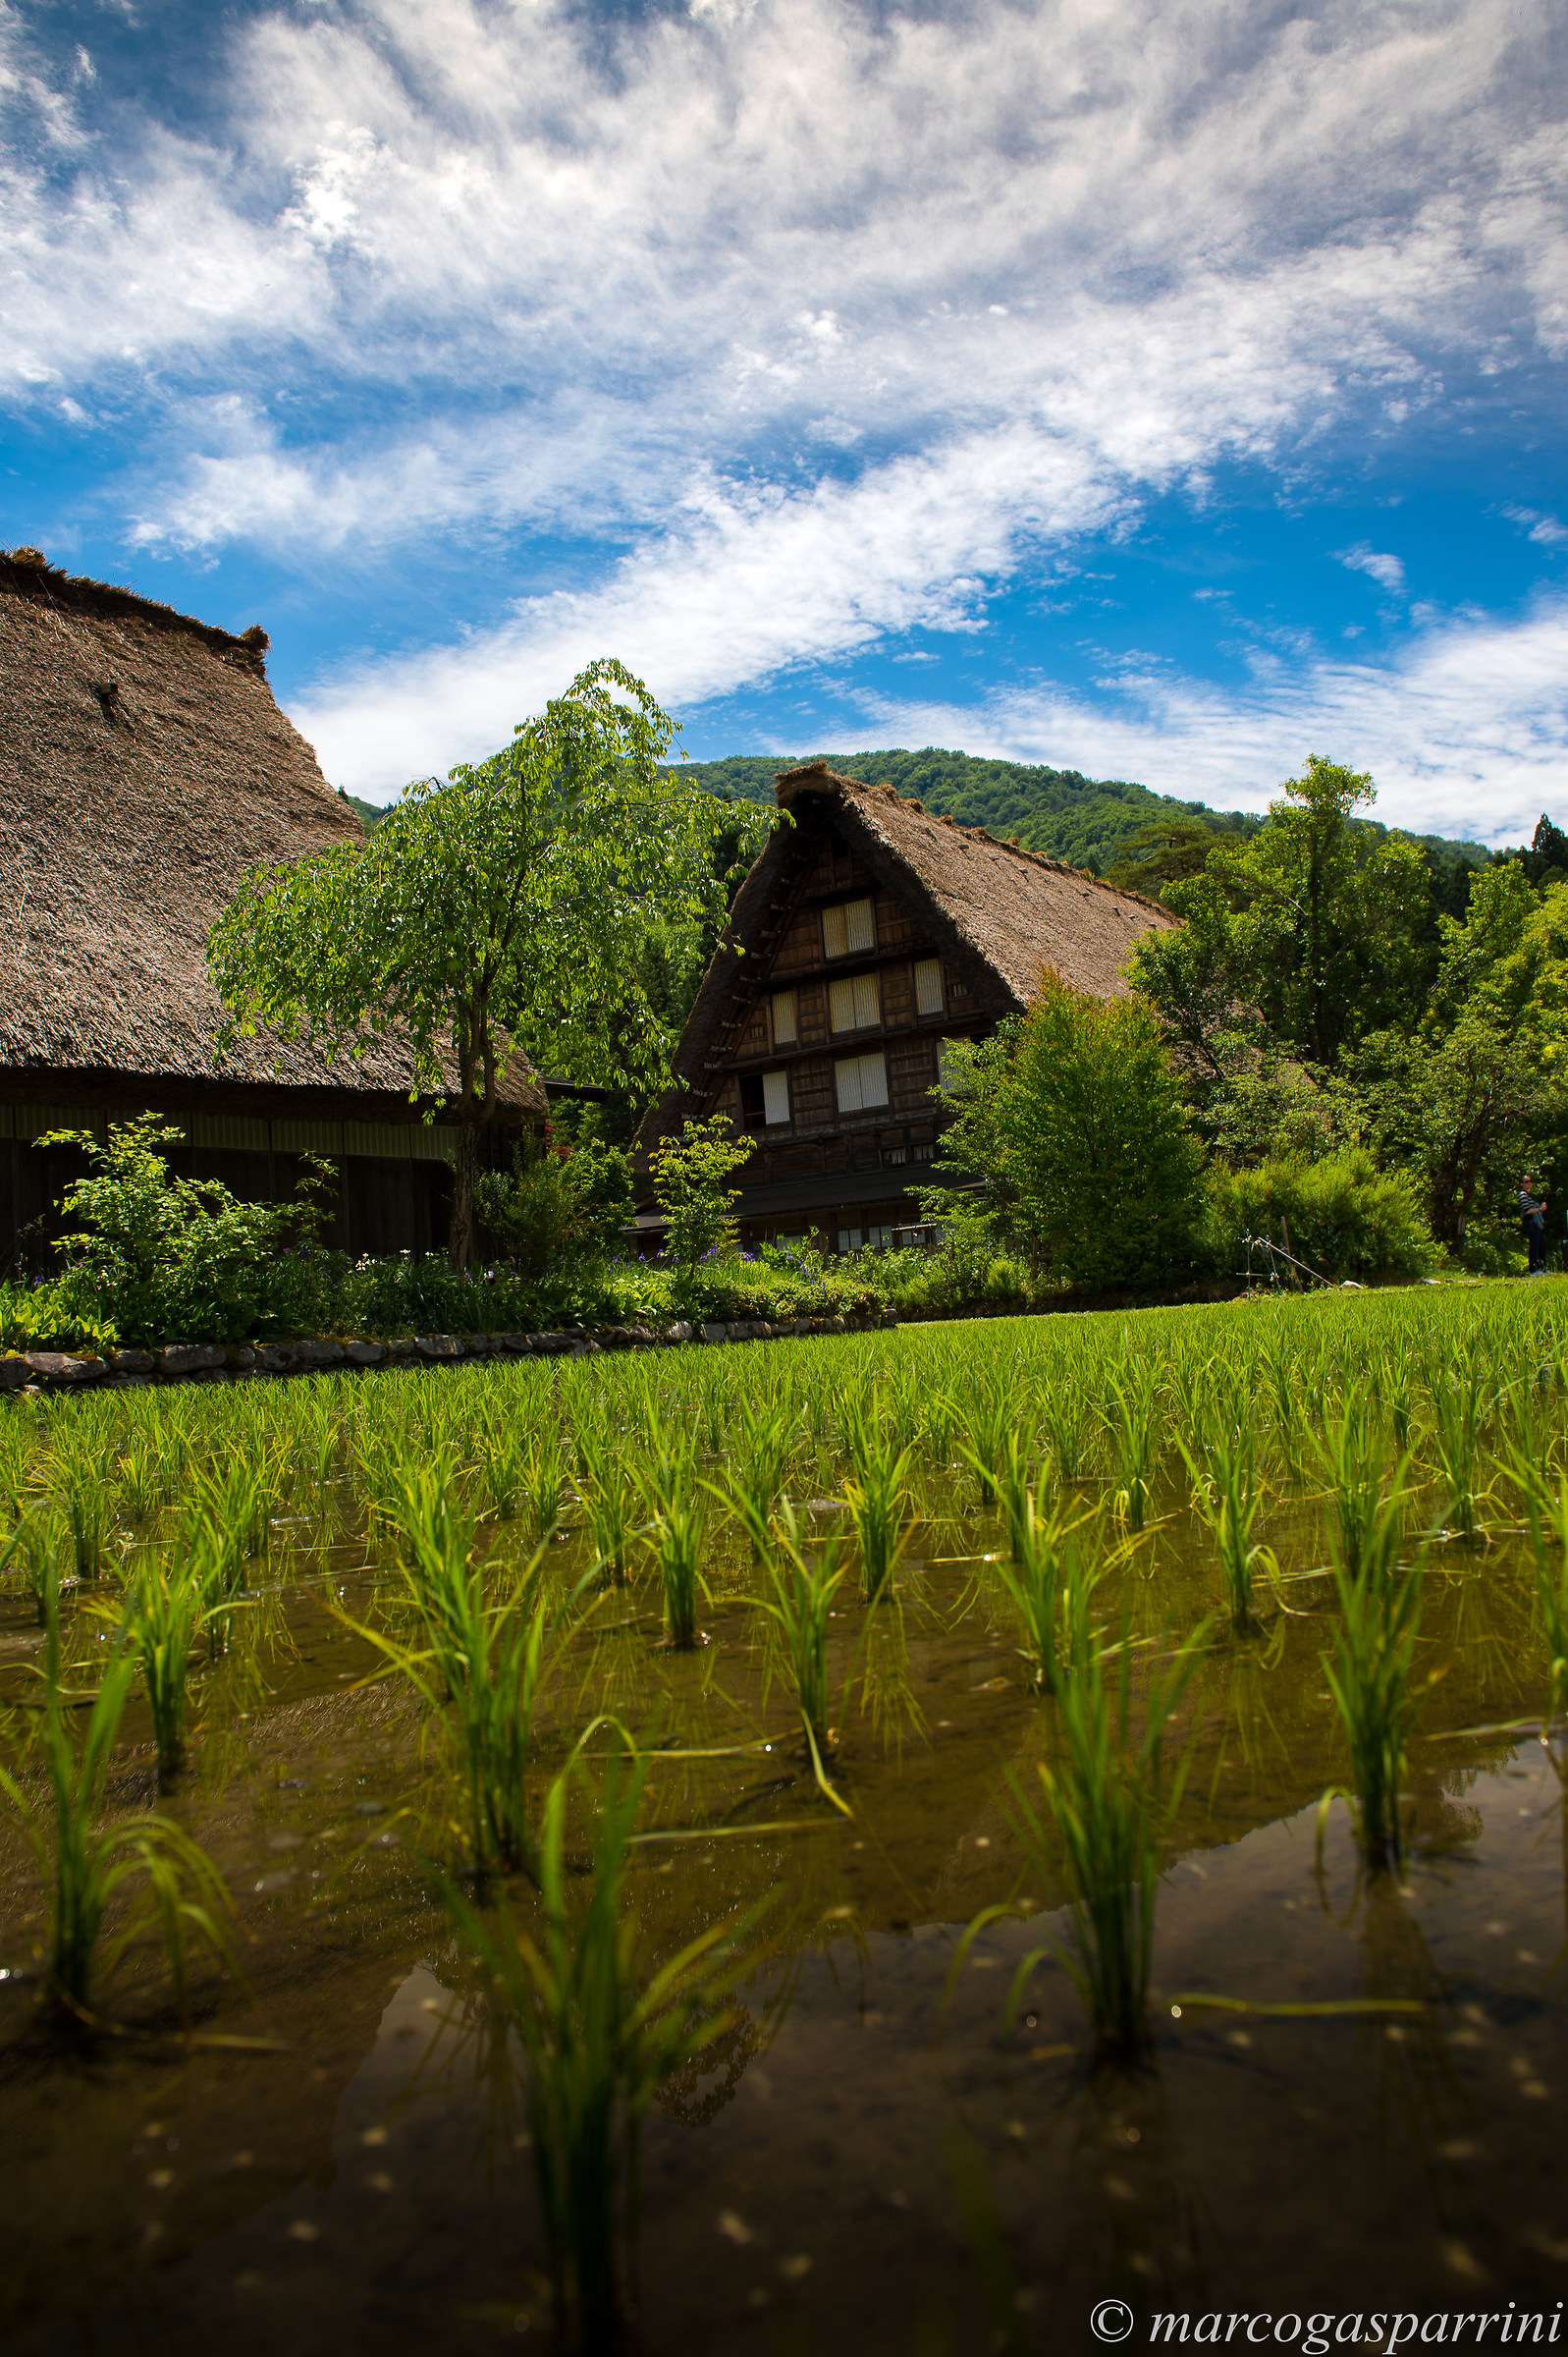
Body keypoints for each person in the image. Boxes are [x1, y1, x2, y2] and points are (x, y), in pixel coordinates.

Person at [1518, 1174, 1549, 1275]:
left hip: (1535, 1222)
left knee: (1542, 1245)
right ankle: (1533, 1270)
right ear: (1521, 1184)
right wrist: (1539, 1209)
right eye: (1526, 1181)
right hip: (1530, 1221)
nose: (1529, 1183)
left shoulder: (1527, 1195)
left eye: (1530, 1181)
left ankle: (1543, 1268)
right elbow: (1526, 1210)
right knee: (1534, 1246)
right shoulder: (1522, 1195)